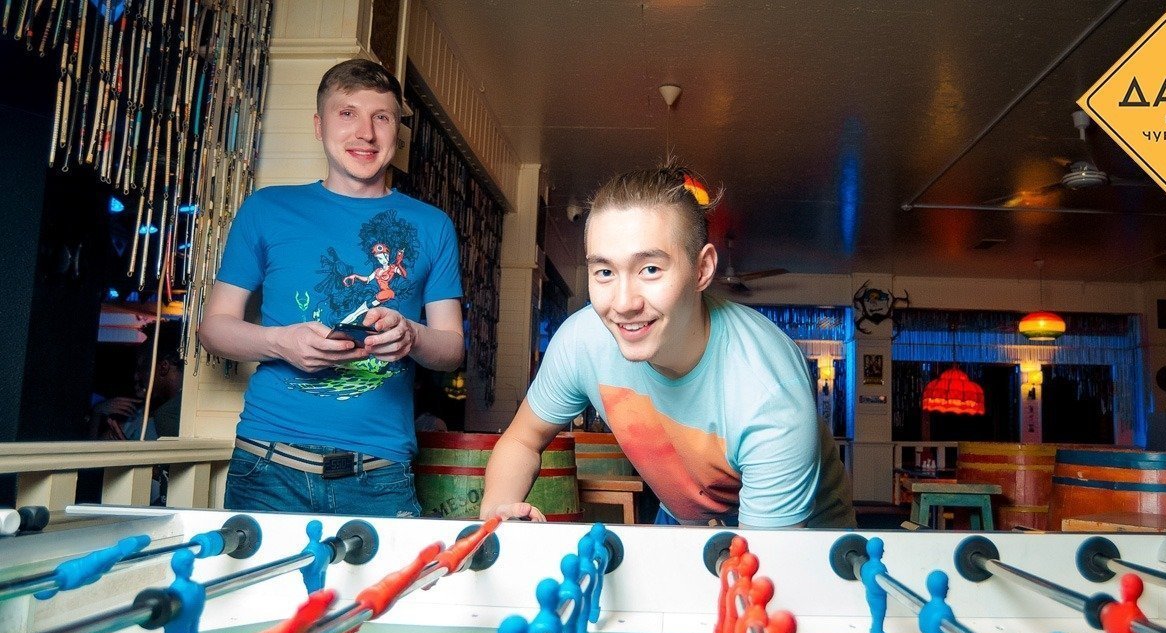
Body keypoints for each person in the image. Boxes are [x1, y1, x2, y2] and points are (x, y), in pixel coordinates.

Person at [479, 165, 855, 528]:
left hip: (803, 538)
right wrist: (497, 517)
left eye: (650, 269)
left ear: (702, 269)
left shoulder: (768, 391)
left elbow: (760, 561)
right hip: (686, 518)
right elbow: (522, 440)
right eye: (605, 272)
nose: (624, 303)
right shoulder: (582, 341)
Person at [198, 58, 464, 517]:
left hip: (381, 473)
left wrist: (412, 335)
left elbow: (452, 348)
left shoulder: (433, 225)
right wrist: (280, 343)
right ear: (319, 125)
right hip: (268, 465)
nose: (366, 133)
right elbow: (213, 328)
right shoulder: (267, 208)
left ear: (396, 133)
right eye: (347, 113)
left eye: (381, 117)